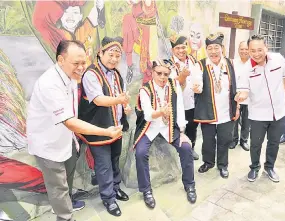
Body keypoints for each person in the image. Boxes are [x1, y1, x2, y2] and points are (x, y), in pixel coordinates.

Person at [26, 40, 122, 221]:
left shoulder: (70, 77)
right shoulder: (50, 84)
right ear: (61, 60)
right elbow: (70, 121)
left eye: (83, 62)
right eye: (76, 63)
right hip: (48, 143)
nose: (81, 68)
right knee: (58, 185)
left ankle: (67, 202)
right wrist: (107, 132)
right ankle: (64, 216)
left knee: (69, 172)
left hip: (66, 138)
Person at [78, 37, 131, 217]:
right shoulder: (91, 74)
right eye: (111, 54)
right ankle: (108, 198)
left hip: (115, 126)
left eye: (118, 55)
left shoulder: (116, 74)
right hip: (98, 128)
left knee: (115, 159)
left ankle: (115, 189)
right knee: (104, 165)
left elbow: (119, 97)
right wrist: (120, 100)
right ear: (100, 53)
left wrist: (125, 106)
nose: (114, 59)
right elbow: (99, 100)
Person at [133, 59, 197, 209]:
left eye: (166, 74)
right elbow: (148, 115)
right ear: (152, 72)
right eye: (159, 73)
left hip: (169, 126)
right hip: (150, 127)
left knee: (186, 147)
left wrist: (181, 131)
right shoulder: (145, 89)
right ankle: (146, 190)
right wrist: (161, 112)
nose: (162, 77)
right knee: (140, 153)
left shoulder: (174, 85)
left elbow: (180, 108)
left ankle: (189, 185)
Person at [236, 34, 285, 183]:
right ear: (248, 51)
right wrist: (241, 96)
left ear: (266, 48)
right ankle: (254, 167)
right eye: (252, 51)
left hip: (279, 112)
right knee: (255, 144)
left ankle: (269, 167)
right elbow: (244, 90)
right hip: (258, 114)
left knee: (274, 142)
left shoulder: (278, 59)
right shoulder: (246, 69)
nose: (256, 54)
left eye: (259, 50)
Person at [194, 33, 239, 179]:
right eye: (210, 48)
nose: (213, 51)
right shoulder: (200, 65)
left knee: (225, 139)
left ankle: (223, 165)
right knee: (208, 140)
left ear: (222, 48)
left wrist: (237, 107)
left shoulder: (230, 63)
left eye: (216, 47)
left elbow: (237, 87)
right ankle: (208, 162)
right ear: (206, 50)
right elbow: (198, 83)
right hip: (208, 111)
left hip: (227, 111)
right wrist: (196, 88)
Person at [169, 35, 203, 160]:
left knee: (192, 128)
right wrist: (182, 76)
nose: (181, 51)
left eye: (183, 47)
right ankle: (177, 153)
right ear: (173, 50)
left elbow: (199, 78)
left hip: (192, 102)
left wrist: (198, 87)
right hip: (177, 104)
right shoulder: (169, 64)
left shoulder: (194, 61)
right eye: (177, 48)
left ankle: (191, 148)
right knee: (177, 129)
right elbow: (171, 83)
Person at [229, 41, 250, 151]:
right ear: (238, 50)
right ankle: (234, 140)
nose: (244, 51)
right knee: (234, 120)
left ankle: (244, 140)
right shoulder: (233, 62)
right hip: (235, 97)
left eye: (246, 49)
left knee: (247, 121)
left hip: (249, 97)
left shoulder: (253, 63)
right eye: (242, 49)